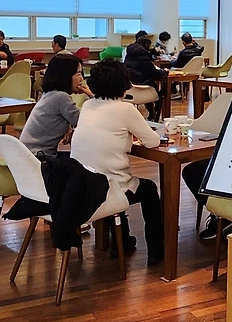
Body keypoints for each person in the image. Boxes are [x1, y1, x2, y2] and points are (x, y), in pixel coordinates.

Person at [70, 59, 165, 265]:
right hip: (109, 188)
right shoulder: (126, 109)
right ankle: (156, 250)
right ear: (123, 83)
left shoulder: (87, 105)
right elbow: (153, 141)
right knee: (148, 189)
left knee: (111, 175)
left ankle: (122, 240)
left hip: (82, 184)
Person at [19, 54, 90, 158]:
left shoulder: (51, 94)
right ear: (65, 76)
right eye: (78, 73)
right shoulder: (61, 97)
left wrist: (69, 128)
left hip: (28, 154)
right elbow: (84, 122)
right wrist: (91, 95)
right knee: (82, 161)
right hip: (37, 157)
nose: (81, 78)